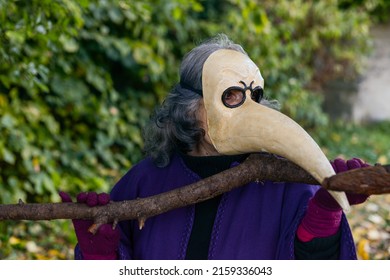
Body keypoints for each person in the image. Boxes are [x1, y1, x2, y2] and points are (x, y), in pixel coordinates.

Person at [60, 34, 369, 260]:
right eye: (231, 95)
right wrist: (99, 255)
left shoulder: (285, 183)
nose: (249, 108)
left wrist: (324, 214)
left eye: (255, 95)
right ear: (190, 106)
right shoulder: (144, 182)